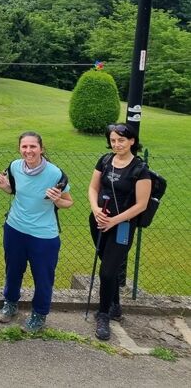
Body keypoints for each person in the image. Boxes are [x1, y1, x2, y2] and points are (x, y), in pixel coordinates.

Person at [0, 132, 73, 331]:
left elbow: (68, 202)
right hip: (14, 228)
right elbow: (15, 190)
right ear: (20, 148)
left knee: (43, 276)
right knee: (13, 270)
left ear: (41, 149)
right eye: (24, 147)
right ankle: (10, 304)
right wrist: (4, 186)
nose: (28, 151)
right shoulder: (14, 166)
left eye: (33, 147)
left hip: (43, 235)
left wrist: (56, 199)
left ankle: (39, 314)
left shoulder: (55, 173)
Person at [87, 123, 151, 340]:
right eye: (113, 140)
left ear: (132, 141)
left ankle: (103, 314)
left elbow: (141, 205)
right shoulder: (105, 161)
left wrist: (113, 220)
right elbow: (93, 188)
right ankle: (115, 305)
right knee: (107, 264)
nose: (116, 144)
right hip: (98, 221)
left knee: (107, 271)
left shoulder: (140, 170)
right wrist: (96, 210)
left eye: (121, 140)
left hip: (122, 225)